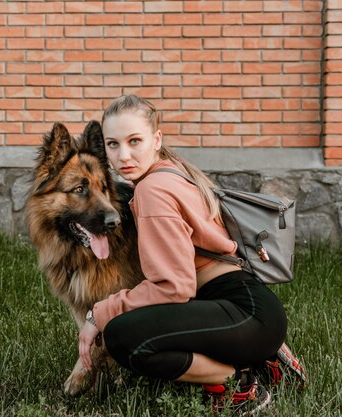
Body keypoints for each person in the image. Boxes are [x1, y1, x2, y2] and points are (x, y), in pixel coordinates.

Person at [78, 95, 306, 416]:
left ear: (157, 140)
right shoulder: (173, 171)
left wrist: (98, 315)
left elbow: (174, 287)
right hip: (250, 306)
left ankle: (238, 383)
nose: (124, 155)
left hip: (244, 314)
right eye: (113, 145)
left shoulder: (152, 190)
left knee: (124, 337)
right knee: (136, 324)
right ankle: (262, 354)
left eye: (135, 141)